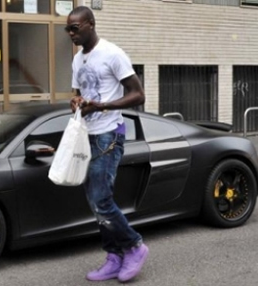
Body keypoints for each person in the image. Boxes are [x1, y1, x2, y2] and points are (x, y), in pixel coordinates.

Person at [66, 6, 148, 283]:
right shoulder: (78, 60)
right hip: (87, 135)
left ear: (90, 24)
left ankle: (134, 246)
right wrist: (76, 101)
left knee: (101, 199)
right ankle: (114, 257)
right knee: (95, 201)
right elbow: (79, 94)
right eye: (68, 29)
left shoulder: (113, 54)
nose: (70, 34)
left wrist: (103, 106)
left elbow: (137, 94)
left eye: (74, 28)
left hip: (109, 134)